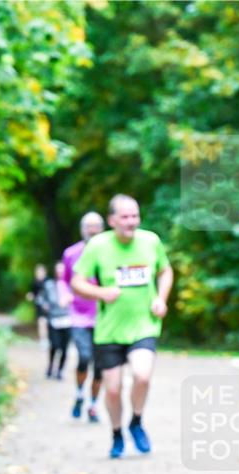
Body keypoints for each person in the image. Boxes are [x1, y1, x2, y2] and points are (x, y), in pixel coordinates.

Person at [70, 194, 173, 459]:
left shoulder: (151, 241)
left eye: (135, 216)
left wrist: (161, 299)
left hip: (143, 326)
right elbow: (77, 283)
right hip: (109, 331)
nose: (131, 222)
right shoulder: (97, 245)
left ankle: (136, 421)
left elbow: (165, 271)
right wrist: (101, 293)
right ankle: (116, 433)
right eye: (125, 217)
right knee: (113, 389)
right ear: (112, 220)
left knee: (143, 375)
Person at [62, 212, 107, 422]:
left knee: (100, 367)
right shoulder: (71, 253)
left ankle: (93, 405)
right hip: (79, 316)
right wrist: (64, 296)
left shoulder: (110, 252)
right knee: (84, 357)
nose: (93, 230)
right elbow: (64, 280)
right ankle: (80, 392)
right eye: (89, 226)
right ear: (82, 229)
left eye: (96, 226)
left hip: (105, 318)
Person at [40, 262, 72, 380]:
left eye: (62, 270)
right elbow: (40, 298)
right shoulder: (49, 285)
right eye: (58, 270)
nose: (60, 272)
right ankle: (50, 366)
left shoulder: (71, 285)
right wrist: (45, 305)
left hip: (67, 321)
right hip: (53, 320)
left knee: (64, 348)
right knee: (55, 345)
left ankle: (60, 370)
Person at [26, 264, 50, 352]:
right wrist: (30, 296)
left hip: (48, 307)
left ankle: (47, 339)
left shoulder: (48, 282)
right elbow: (33, 294)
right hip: (39, 306)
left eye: (41, 272)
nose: (39, 274)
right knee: (41, 323)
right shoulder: (35, 283)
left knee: (47, 324)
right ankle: (43, 340)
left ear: (45, 272)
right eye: (37, 272)